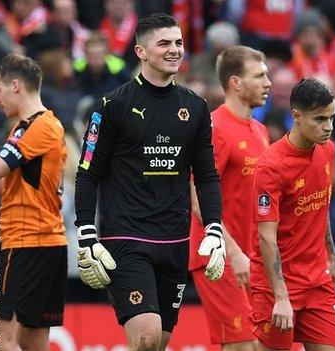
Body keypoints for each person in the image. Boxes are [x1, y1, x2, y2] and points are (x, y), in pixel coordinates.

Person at [74, 13, 225, 351]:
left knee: (158, 343)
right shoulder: (112, 106)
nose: (174, 50)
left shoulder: (196, 107)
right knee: (146, 338)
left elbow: (206, 175)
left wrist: (214, 228)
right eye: (164, 43)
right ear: (141, 52)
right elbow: (87, 173)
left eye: (178, 43)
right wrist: (86, 231)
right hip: (126, 239)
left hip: (175, 241)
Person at [189, 45, 271, 350]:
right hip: (219, 254)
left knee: (264, 343)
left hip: (253, 257)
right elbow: (197, 197)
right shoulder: (215, 129)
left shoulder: (260, 130)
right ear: (235, 82)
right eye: (259, 76)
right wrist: (233, 252)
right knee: (242, 344)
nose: (268, 83)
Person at [251, 78, 335, 351]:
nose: (329, 127)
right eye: (320, 119)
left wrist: (332, 257)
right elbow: (266, 237)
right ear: (297, 117)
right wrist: (281, 297)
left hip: (317, 281)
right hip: (276, 285)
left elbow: (321, 205)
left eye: (332, 118)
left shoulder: (328, 151)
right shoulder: (271, 166)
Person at [0, 53, 67, 351]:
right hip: (45, 242)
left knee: (1, 342)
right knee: (31, 343)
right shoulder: (31, 128)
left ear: (16, 85)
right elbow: (14, 190)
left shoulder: (39, 127)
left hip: (26, 242)